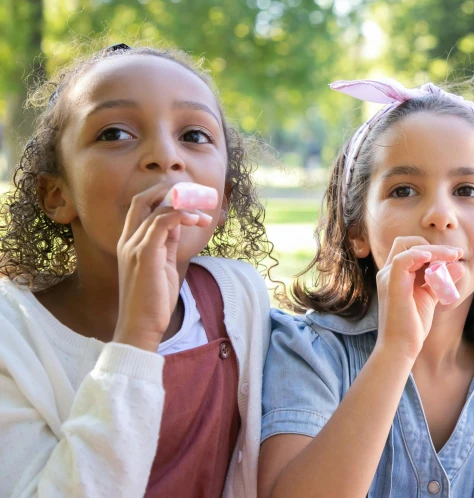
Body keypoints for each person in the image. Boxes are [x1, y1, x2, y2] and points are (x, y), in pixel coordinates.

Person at [258, 77, 474, 498]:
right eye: (403, 190)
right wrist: (395, 351)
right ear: (357, 231)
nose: (440, 214)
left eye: (466, 190)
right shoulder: (308, 355)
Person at [0, 43, 272, 497]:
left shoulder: (239, 296)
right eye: (114, 134)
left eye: (195, 135)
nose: (165, 157)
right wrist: (137, 337)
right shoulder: (13, 341)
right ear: (57, 195)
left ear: (221, 200)